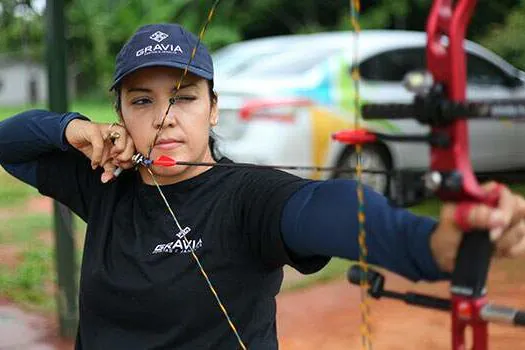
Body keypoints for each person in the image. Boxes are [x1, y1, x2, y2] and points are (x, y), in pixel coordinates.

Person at [1, 23, 525, 350]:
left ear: (214, 108)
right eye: (142, 101)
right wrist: (72, 128)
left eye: (184, 97)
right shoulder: (105, 183)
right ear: (119, 115)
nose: (163, 119)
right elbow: (10, 142)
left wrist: (429, 245)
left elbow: (325, 208)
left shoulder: (248, 197)